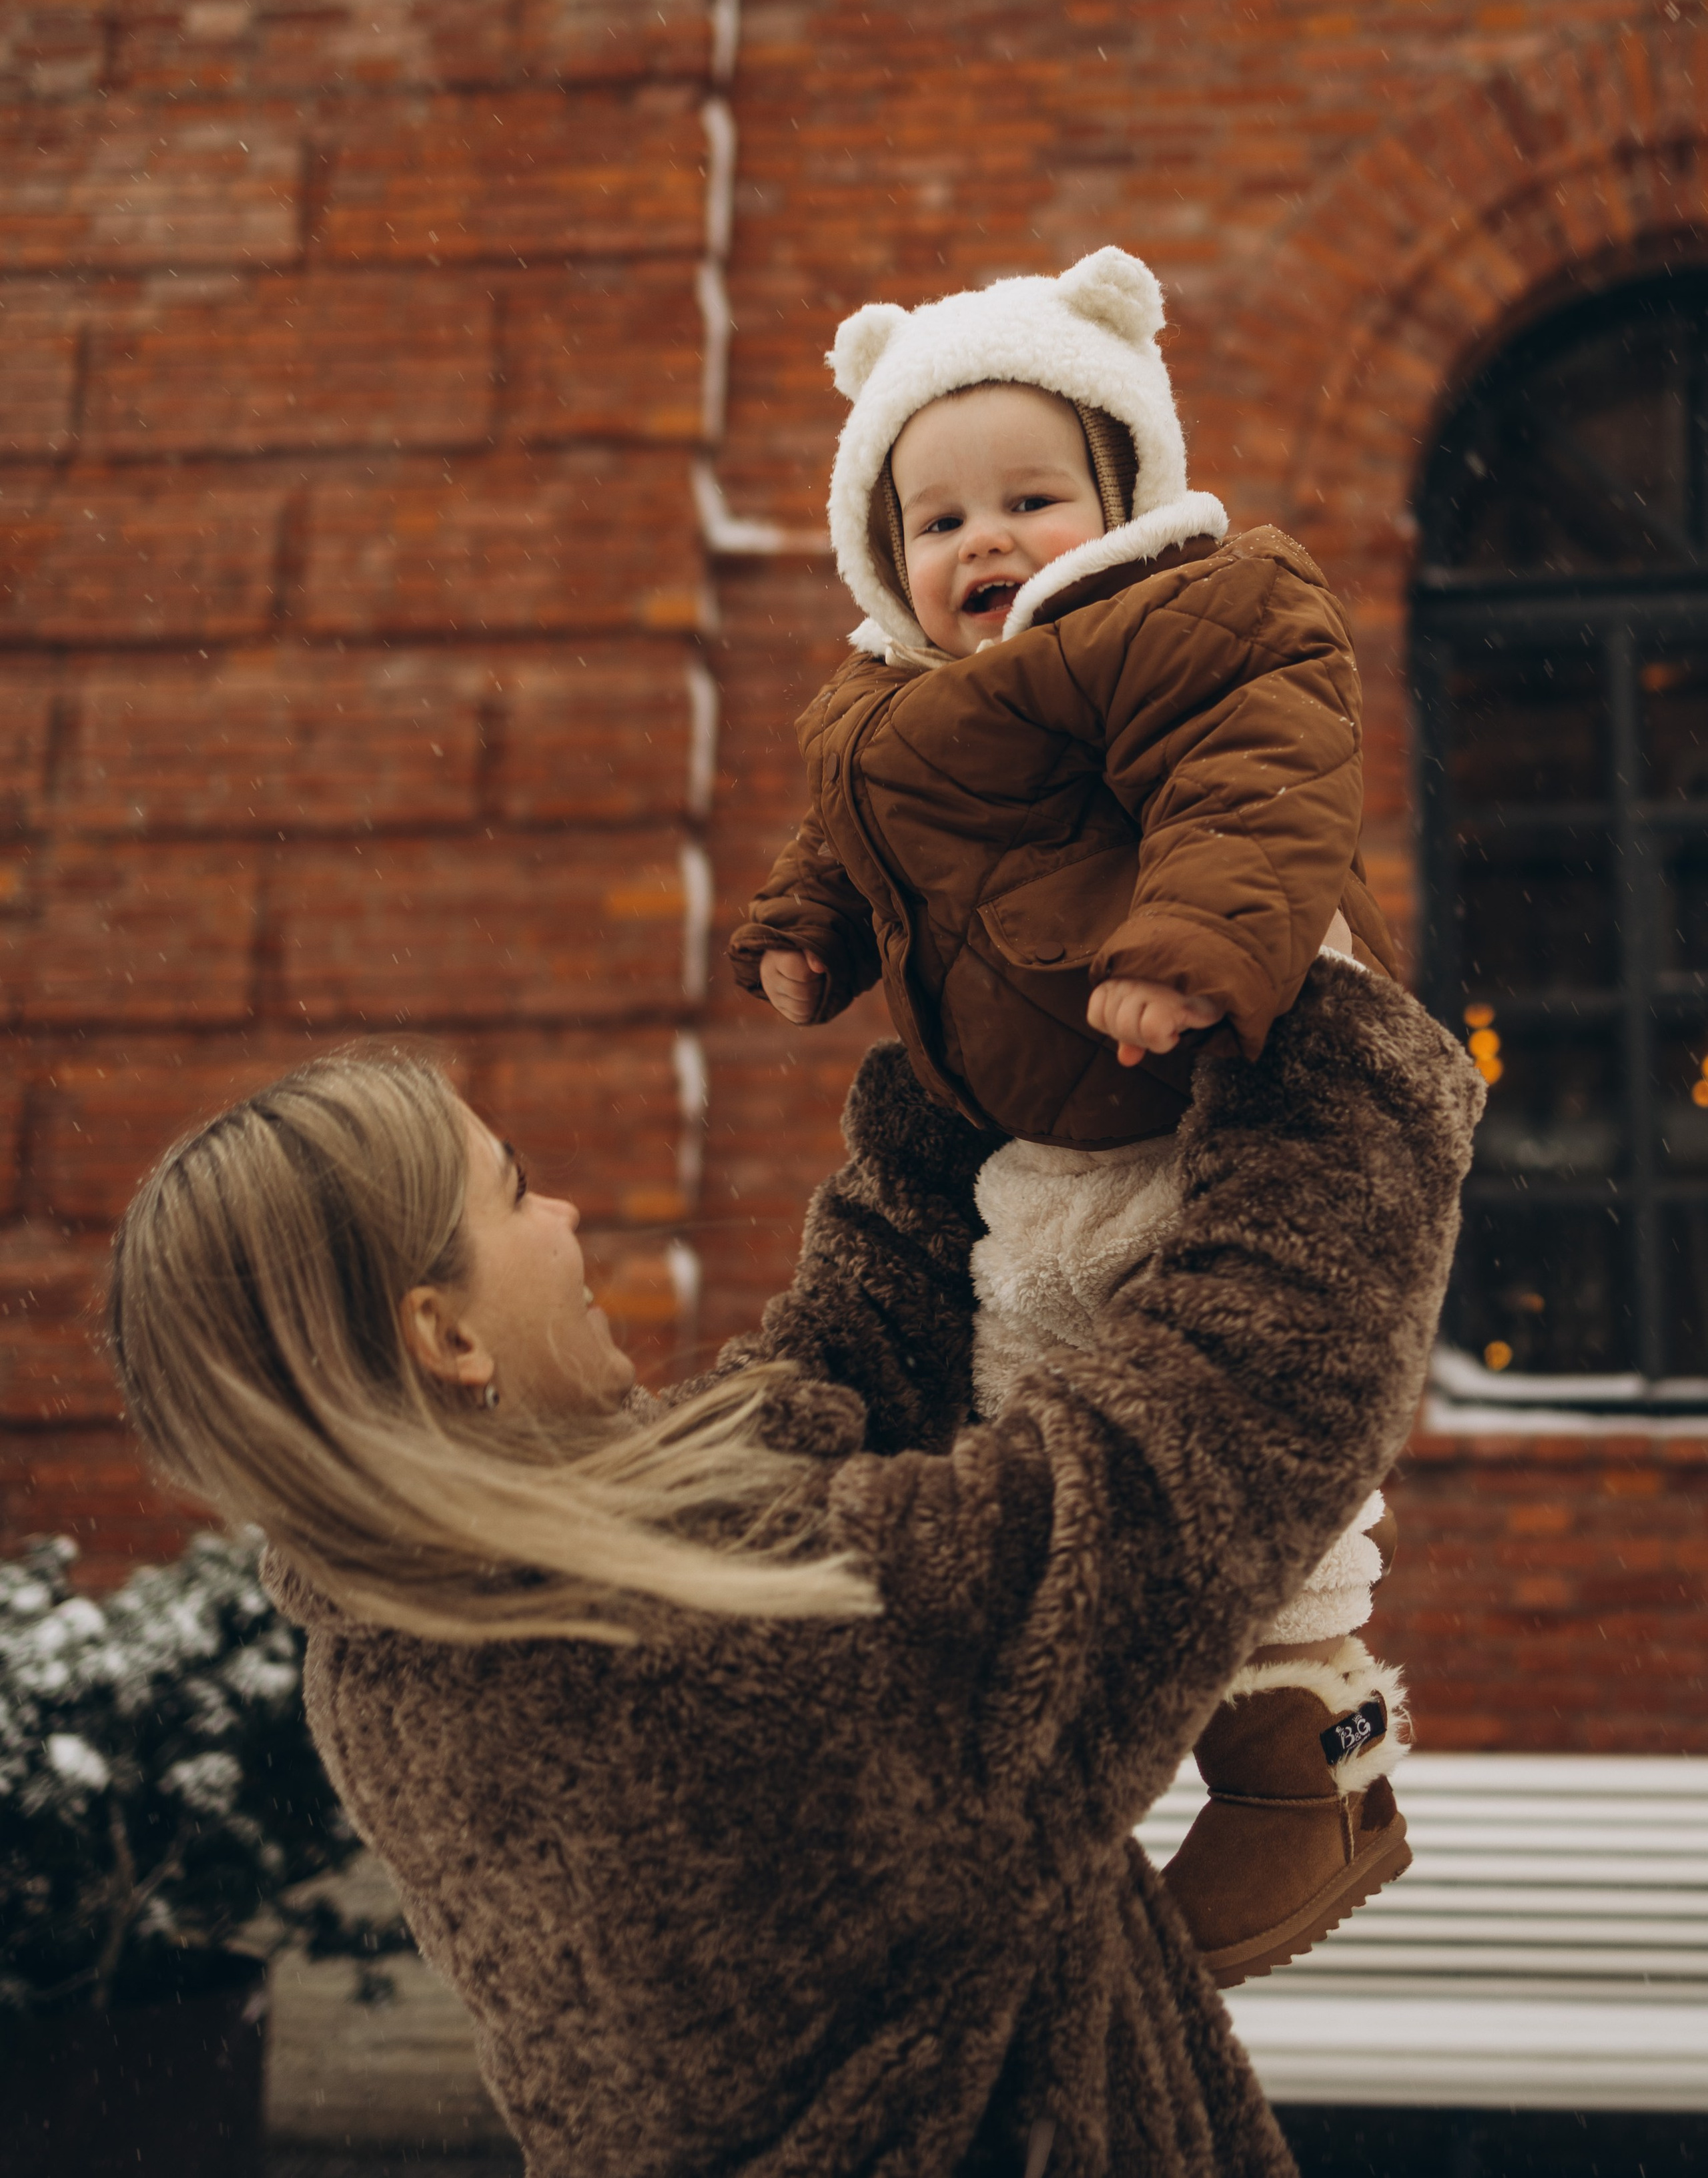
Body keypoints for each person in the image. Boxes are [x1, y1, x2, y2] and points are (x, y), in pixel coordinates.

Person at [107, 968, 1479, 2177]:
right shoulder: (683, 1665)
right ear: (445, 1337)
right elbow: (1221, 1428)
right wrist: (1314, 1019)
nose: (566, 1213)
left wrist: (970, 1021)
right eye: (516, 1192)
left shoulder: (402, 1645)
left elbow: (831, 1380)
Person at [728, 248, 1411, 1981]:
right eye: (939, 517)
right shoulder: (885, 706)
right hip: (1040, 1141)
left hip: (1214, 1095)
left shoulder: (1184, 620)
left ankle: (1314, 1754)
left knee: (1243, 1411)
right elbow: (857, 844)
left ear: (1121, 496)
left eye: (1031, 498)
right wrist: (807, 935)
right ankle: (1079, 1770)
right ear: (883, 548)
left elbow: (1257, 782)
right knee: (1037, 1417)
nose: (988, 541)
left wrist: (1186, 951)